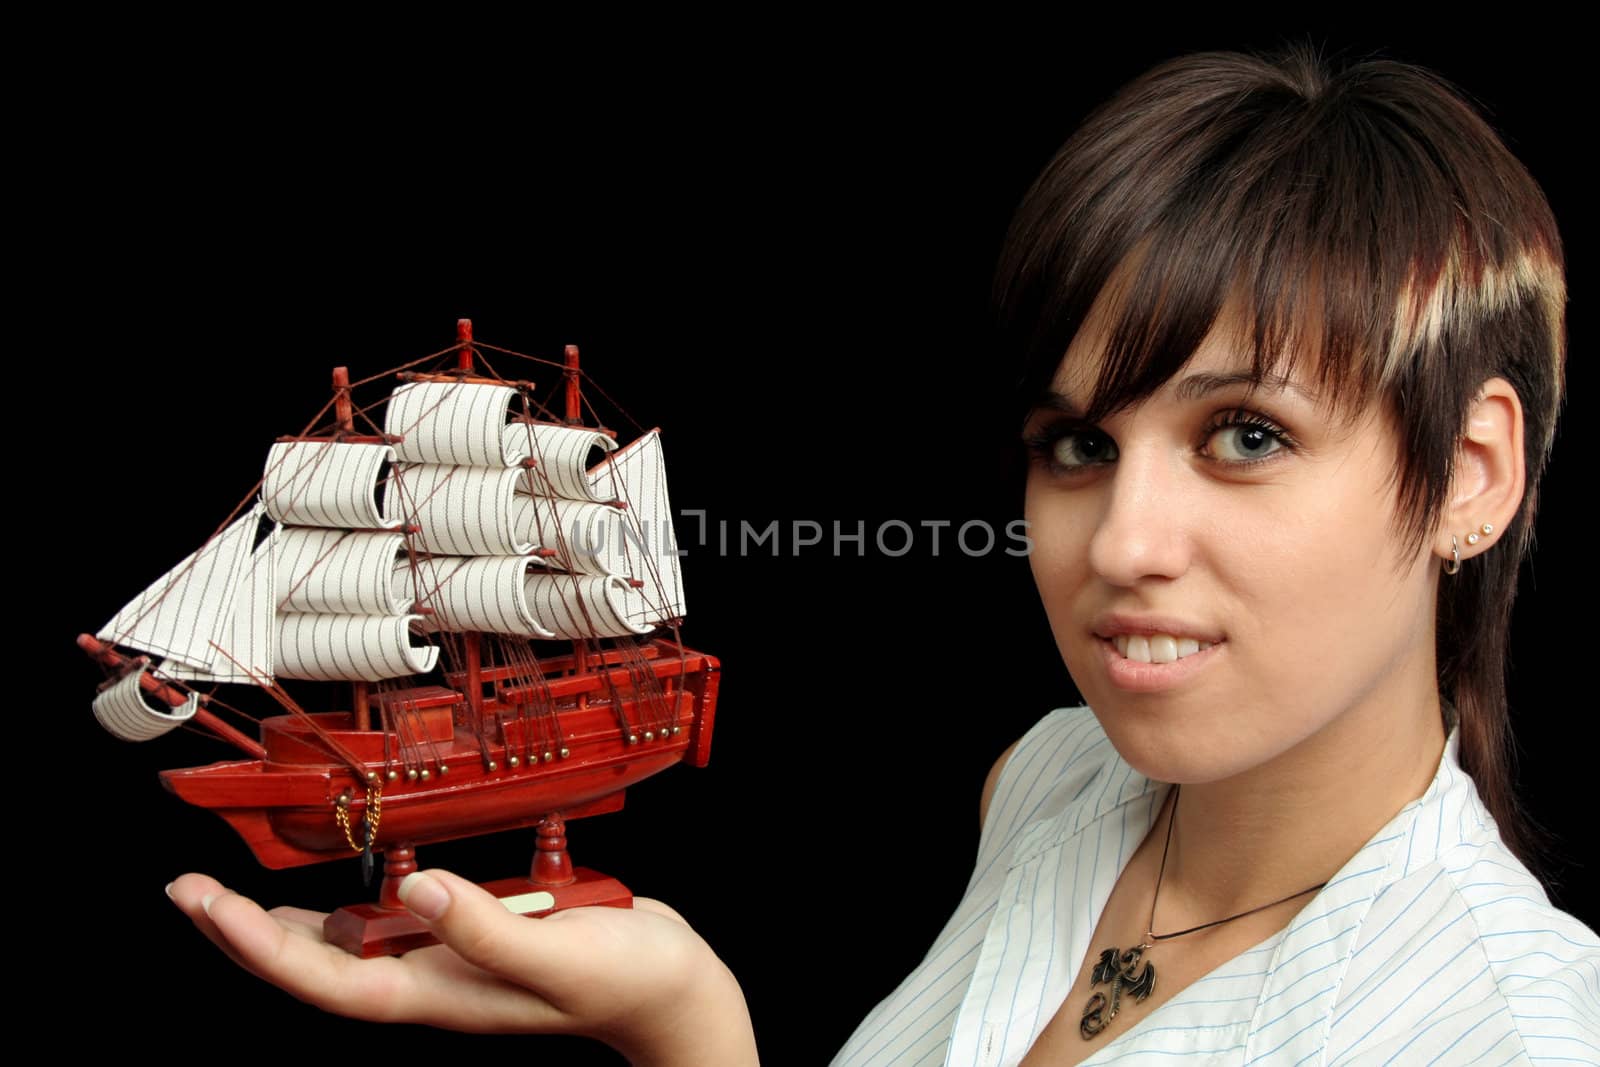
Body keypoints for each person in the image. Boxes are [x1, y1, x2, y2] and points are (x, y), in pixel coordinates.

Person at [167, 45, 1597, 1064]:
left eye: (1247, 437)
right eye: (1078, 448)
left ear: (1469, 477)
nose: (1124, 545)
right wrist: (685, 1028)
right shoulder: (1046, 789)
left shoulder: (1519, 1032)